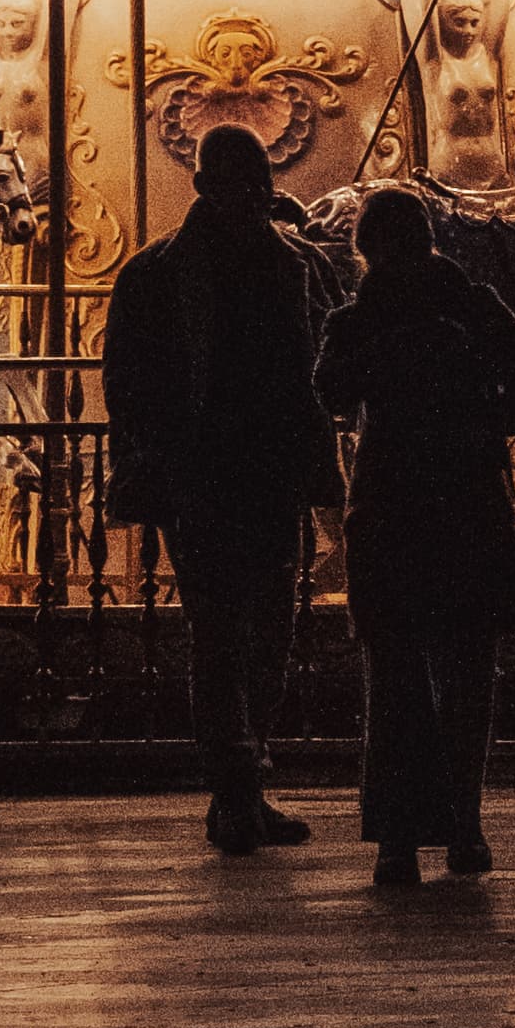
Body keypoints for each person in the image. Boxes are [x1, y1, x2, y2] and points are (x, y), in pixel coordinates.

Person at [314, 191, 515, 884]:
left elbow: (329, 391)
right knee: (467, 669)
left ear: (366, 251)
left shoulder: (357, 320)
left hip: (388, 504)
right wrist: (479, 413)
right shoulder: (475, 308)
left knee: (393, 673)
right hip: (467, 499)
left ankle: (397, 834)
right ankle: (464, 823)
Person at [100, 126, 326, 851]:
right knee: (225, 633)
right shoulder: (161, 273)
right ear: (206, 187)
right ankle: (235, 787)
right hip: (205, 473)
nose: (255, 196)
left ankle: (242, 783)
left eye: (260, 183)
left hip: (263, 469)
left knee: (268, 634)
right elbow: (128, 381)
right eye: (241, 182)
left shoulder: (287, 264)